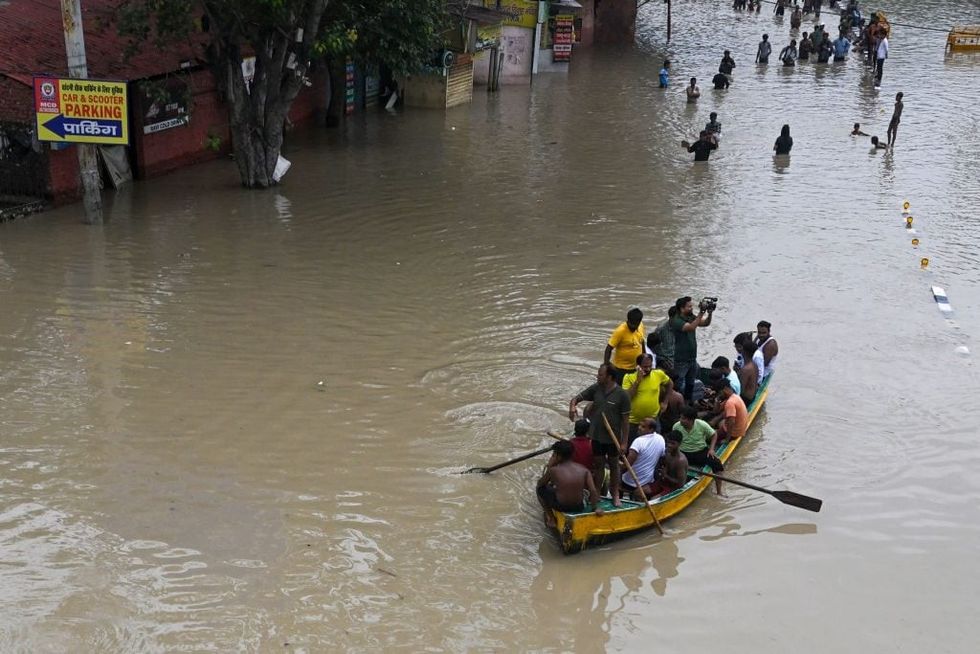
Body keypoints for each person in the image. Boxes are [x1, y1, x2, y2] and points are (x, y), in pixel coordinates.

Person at [569, 363, 631, 506]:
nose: (597, 376)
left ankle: (615, 493)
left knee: (614, 466)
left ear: (609, 377)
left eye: (600, 374)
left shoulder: (622, 395)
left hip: (613, 438)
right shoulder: (596, 389)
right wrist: (572, 407)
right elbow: (576, 399)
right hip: (596, 437)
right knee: (599, 465)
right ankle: (596, 492)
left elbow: (626, 421)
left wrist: (624, 442)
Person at [536, 440, 603, 527]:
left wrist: (550, 466)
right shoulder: (584, 469)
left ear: (558, 456)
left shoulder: (553, 470)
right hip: (579, 506)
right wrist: (595, 507)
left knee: (539, 490)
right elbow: (593, 490)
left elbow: (540, 484)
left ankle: (551, 518)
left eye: (554, 454)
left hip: (561, 506)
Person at [673, 405, 725, 495]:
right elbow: (675, 442)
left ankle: (719, 492)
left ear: (691, 420)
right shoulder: (676, 426)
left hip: (700, 451)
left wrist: (712, 449)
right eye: (681, 418)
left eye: (684, 419)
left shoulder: (701, 424)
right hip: (683, 453)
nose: (681, 420)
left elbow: (714, 435)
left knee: (717, 464)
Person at [669, 296, 713, 402]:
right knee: (678, 385)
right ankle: (675, 403)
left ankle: (688, 403)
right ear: (681, 308)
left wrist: (710, 313)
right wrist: (701, 312)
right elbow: (691, 327)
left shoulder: (691, 317)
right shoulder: (676, 320)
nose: (692, 308)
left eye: (692, 306)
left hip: (692, 359)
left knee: (690, 384)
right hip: (681, 360)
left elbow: (705, 323)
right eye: (689, 307)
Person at [622, 353, 670, 442]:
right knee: (631, 446)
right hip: (633, 422)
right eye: (645, 367)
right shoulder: (628, 378)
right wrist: (637, 381)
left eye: (650, 366)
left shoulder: (658, 374)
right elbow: (627, 398)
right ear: (638, 366)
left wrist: (665, 402)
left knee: (654, 444)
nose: (648, 369)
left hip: (653, 419)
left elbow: (670, 384)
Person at [620, 417, 665, 499]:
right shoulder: (660, 438)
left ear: (651, 429)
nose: (639, 428)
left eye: (643, 427)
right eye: (639, 425)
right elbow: (661, 458)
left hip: (631, 482)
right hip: (648, 480)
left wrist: (618, 465)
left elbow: (627, 466)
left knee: (614, 476)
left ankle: (618, 498)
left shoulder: (638, 441)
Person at [604, 305, 645, 384]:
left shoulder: (641, 326)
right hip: (621, 369)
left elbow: (642, 341)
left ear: (639, 322)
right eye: (630, 324)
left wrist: (644, 358)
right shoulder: (620, 331)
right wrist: (606, 365)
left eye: (635, 325)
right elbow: (609, 348)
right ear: (628, 320)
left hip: (636, 367)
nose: (632, 326)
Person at [651, 430, 689, 495]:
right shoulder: (667, 452)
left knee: (653, 499)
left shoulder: (680, 461)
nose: (669, 445)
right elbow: (666, 465)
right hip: (663, 482)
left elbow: (681, 484)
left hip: (673, 488)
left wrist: (666, 476)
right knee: (638, 492)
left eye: (673, 443)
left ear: (679, 444)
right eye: (668, 442)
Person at [716, 379, 749, 443]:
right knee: (720, 423)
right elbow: (718, 410)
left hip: (734, 433)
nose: (719, 395)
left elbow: (731, 422)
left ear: (724, 389)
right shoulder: (735, 396)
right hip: (740, 429)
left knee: (710, 437)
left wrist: (727, 440)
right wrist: (717, 400)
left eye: (720, 393)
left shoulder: (730, 402)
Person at [648, 306, 677, 370]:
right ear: (671, 317)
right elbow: (651, 346)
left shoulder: (682, 327)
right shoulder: (661, 329)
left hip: (675, 357)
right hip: (663, 358)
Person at [658, 374, 686, 439]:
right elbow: (682, 412)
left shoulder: (658, 395)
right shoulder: (678, 396)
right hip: (672, 422)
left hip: (665, 424)